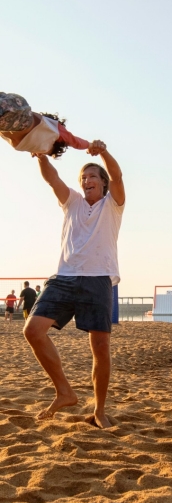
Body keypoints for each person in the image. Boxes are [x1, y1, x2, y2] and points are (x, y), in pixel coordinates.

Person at [24, 141, 125, 428]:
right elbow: (52, 178)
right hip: (64, 277)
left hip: (98, 279)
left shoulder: (113, 205)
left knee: (100, 347)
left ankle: (99, 411)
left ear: (103, 183)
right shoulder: (73, 202)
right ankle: (65, 392)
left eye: (93, 176)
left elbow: (118, 177)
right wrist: (41, 156)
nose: (86, 180)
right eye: (83, 177)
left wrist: (103, 153)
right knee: (33, 330)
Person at [0, 92, 90, 158]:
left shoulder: (35, 147)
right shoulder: (56, 133)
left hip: (17, 109)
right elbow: (77, 142)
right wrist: (90, 145)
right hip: (21, 117)